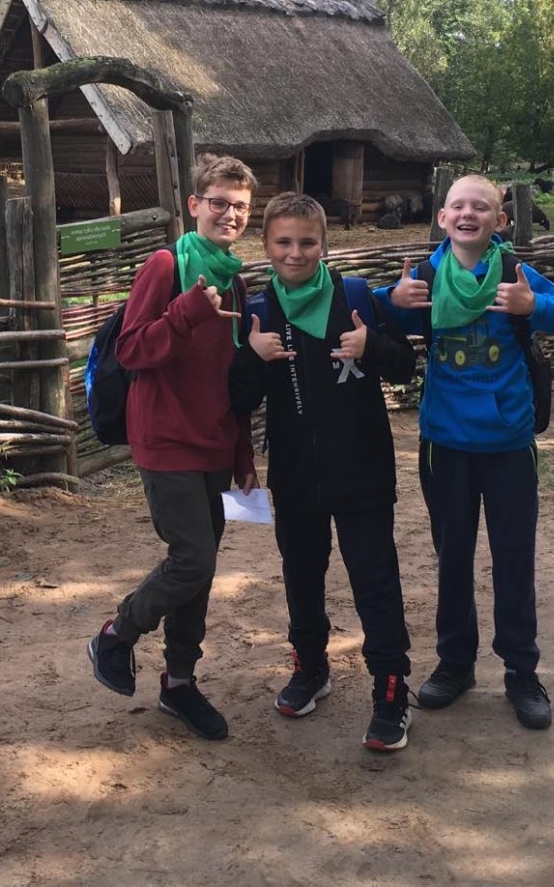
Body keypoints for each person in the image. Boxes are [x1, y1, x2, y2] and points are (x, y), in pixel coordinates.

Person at [376, 175, 554, 731]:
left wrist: (535, 306)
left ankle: (521, 671)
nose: (468, 214)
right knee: (452, 559)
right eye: (457, 205)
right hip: (444, 447)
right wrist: (391, 301)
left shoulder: (515, 276)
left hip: (508, 448)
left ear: (500, 221)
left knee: (514, 559)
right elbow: (373, 319)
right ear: (441, 218)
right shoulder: (424, 279)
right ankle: (456, 664)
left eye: (481, 207)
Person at [228, 193, 418, 752]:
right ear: (266, 245)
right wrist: (251, 356)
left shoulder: (355, 297)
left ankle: (390, 689)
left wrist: (372, 346)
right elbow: (238, 399)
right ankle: (310, 667)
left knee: (375, 582)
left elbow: (406, 367)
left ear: (324, 245)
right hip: (295, 474)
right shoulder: (260, 313)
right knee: (301, 577)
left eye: (307, 242)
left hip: (363, 471)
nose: (295, 252)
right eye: (283, 242)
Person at [86, 153, 258, 741]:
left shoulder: (235, 279)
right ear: (194, 205)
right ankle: (117, 633)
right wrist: (186, 311)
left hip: (214, 442)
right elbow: (132, 350)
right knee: (193, 560)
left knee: (199, 573)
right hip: (164, 439)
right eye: (219, 203)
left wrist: (242, 454)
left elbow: (231, 375)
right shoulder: (166, 266)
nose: (229, 214)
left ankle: (179, 683)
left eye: (240, 206)